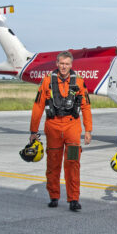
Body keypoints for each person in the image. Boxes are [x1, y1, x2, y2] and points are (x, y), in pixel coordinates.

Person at [29, 51, 92, 211]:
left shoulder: (78, 82)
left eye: (67, 64)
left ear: (71, 65)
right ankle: (54, 196)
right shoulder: (47, 81)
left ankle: (73, 199)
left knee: (72, 163)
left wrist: (88, 130)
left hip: (72, 127)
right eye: (61, 64)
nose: (64, 67)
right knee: (53, 163)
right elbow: (38, 106)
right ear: (57, 64)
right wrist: (33, 131)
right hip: (53, 127)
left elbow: (85, 106)